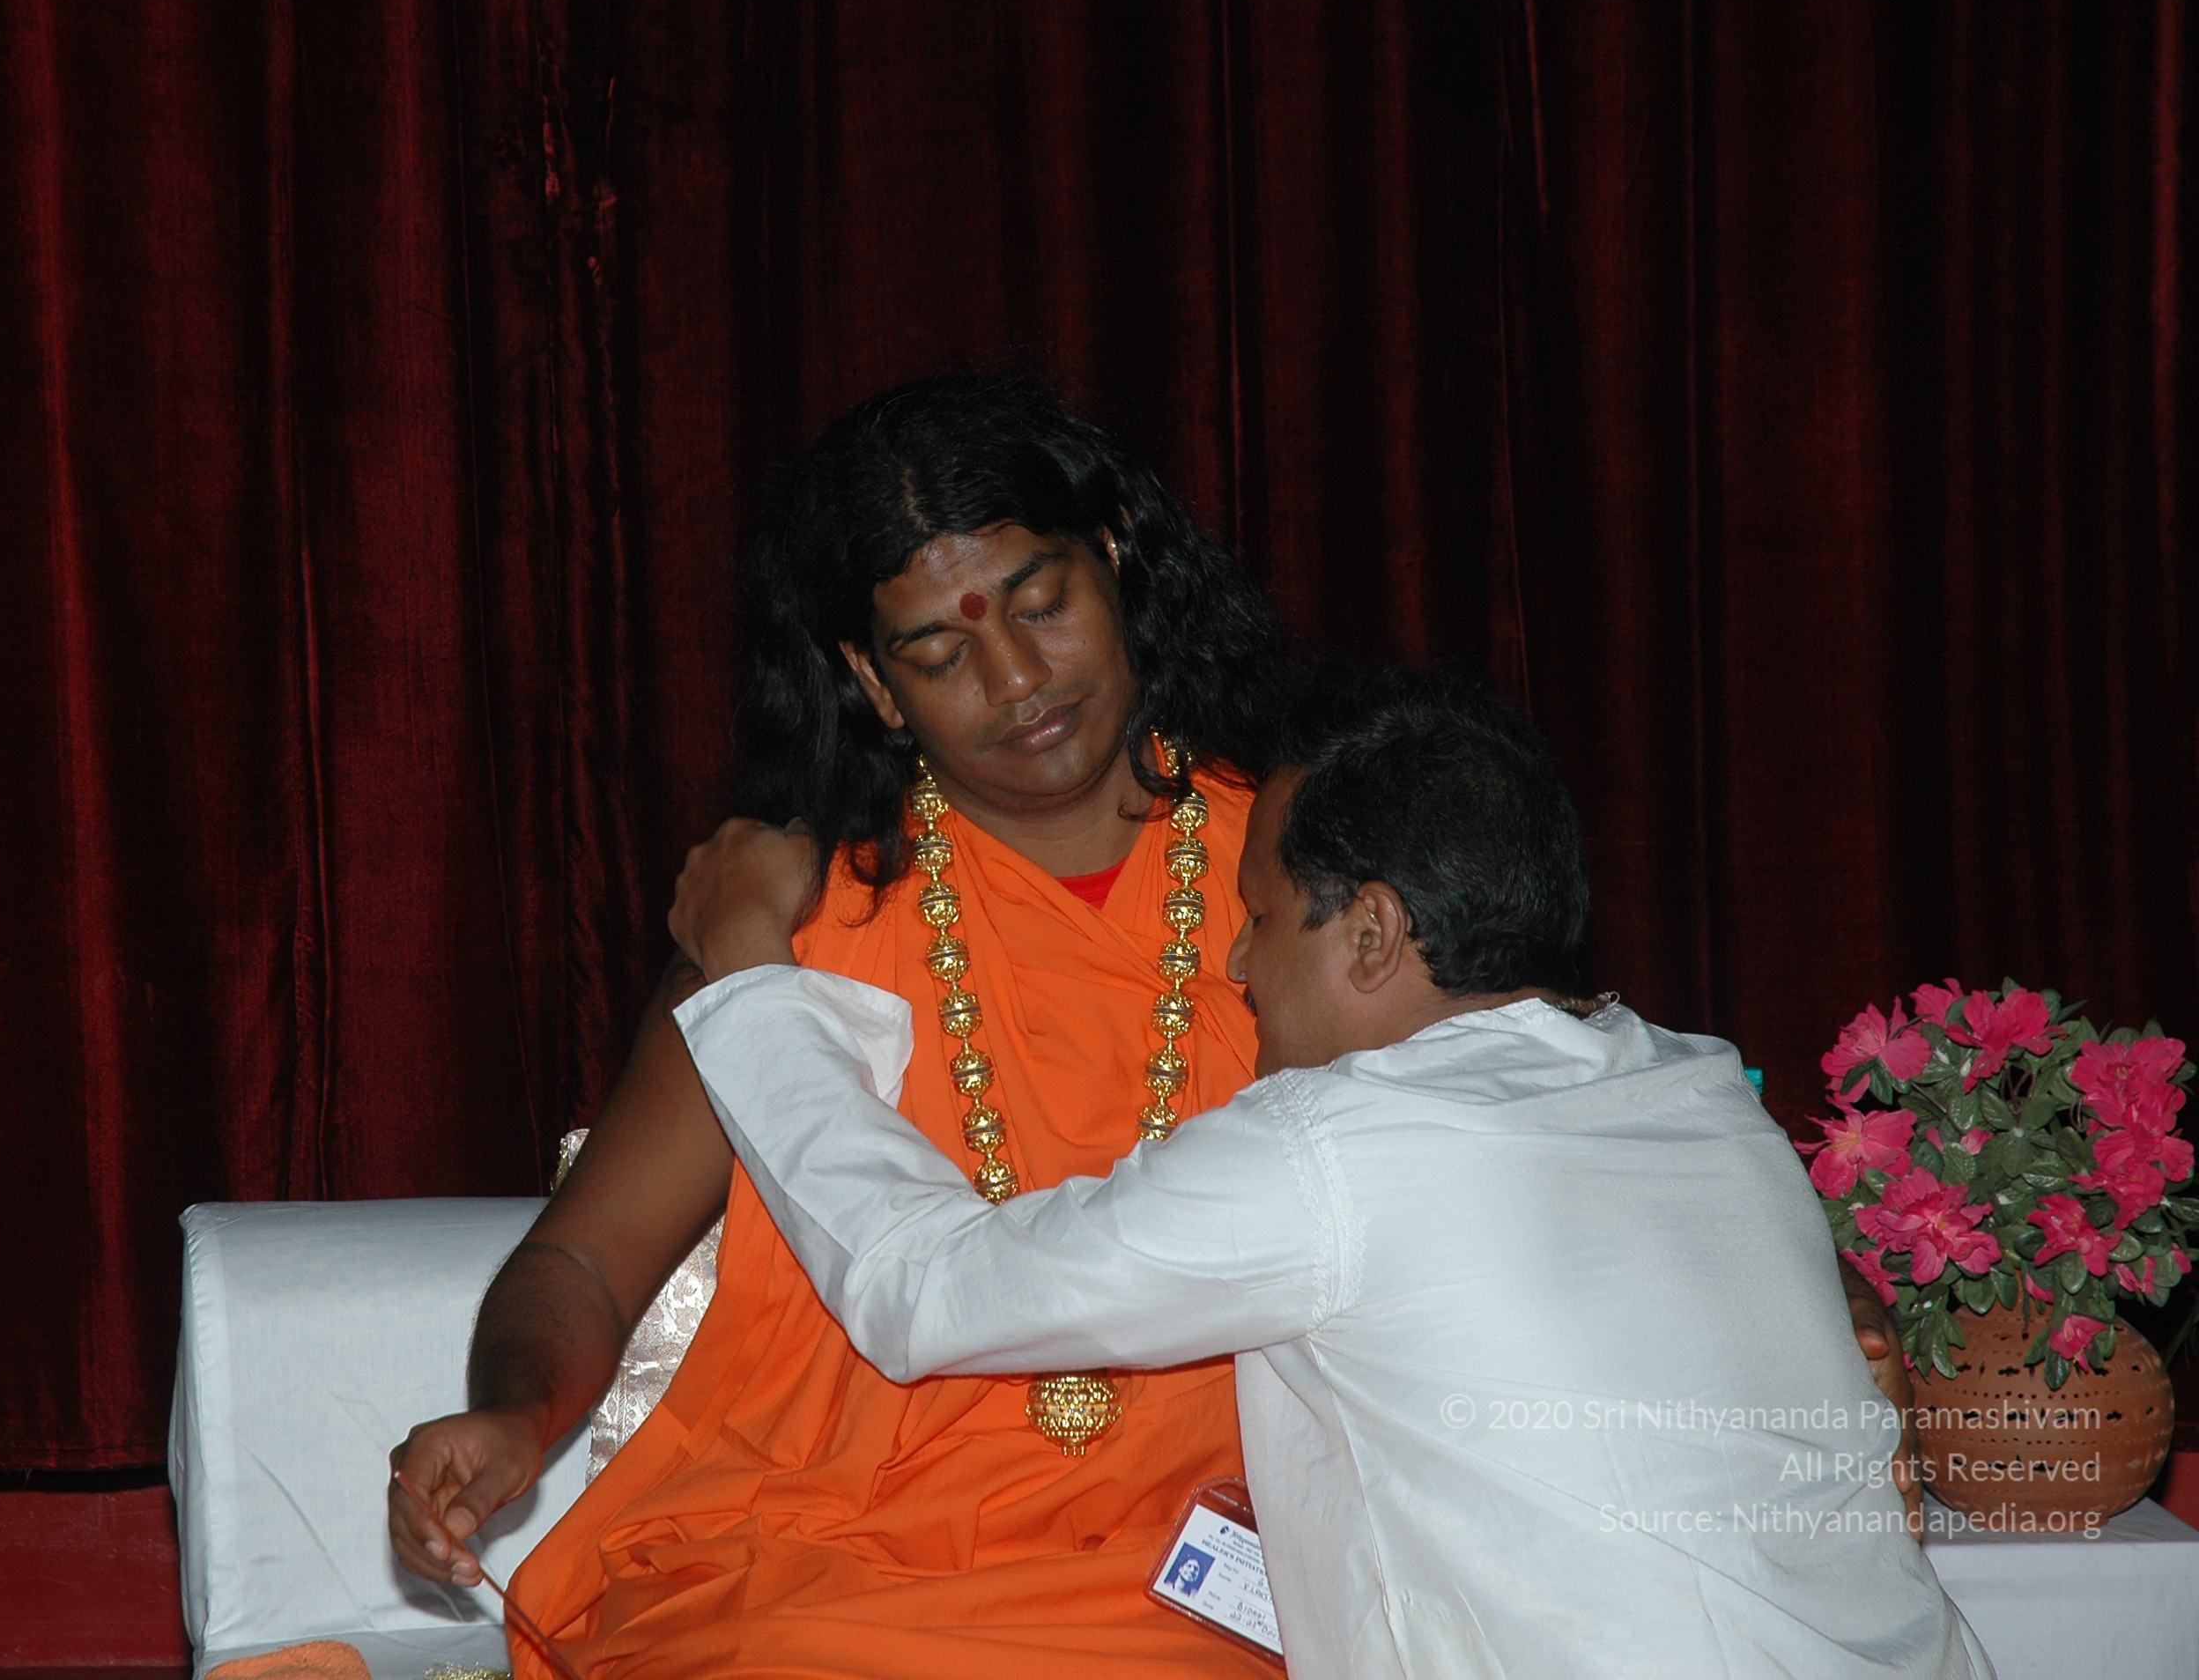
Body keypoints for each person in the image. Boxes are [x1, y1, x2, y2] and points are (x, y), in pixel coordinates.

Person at [664, 666, 1990, 1678]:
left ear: (1369, 935)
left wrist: (747, 970)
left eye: (1255, 917)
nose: (1236, 963)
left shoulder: (1341, 1147)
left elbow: (923, 1291)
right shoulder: (1696, 1089)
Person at [389, 374, 1297, 1676]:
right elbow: (584, 1261)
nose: (1017, 679)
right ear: (872, 681)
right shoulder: (791, 920)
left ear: (1114, 561)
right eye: (939, 654)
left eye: (1042, 604)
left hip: (1196, 1561)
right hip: (829, 1552)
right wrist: (514, 1416)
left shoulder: (1306, 876)